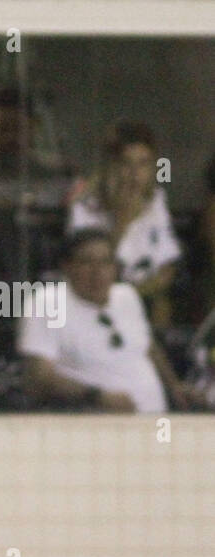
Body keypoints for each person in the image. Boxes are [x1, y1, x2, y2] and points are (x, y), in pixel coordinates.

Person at [19, 229, 191, 413]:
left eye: (106, 262)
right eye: (87, 262)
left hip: (155, 425)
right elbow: (38, 378)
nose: (98, 272)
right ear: (66, 266)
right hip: (96, 429)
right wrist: (97, 397)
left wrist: (175, 387)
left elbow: (147, 347)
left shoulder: (127, 295)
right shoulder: (48, 302)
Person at [67, 122, 181, 330]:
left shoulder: (155, 200)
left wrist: (141, 294)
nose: (134, 173)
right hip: (98, 304)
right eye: (126, 163)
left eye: (143, 164)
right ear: (110, 166)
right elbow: (90, 273)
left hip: (147, 300)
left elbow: (167, 265)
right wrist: (123, 221)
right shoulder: (85, 206)